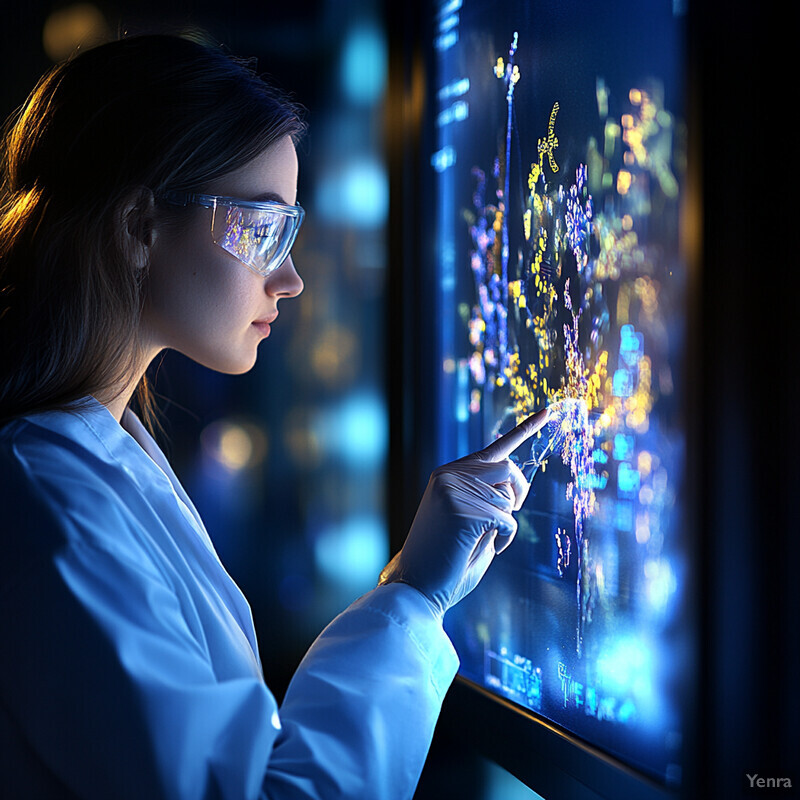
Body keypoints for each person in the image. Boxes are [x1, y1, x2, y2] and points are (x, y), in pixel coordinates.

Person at [0, 34, 548, 799]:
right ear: (137, 227)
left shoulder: (92, 462)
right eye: (261, 230)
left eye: (290, 234)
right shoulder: (50, 504)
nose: (288, 279)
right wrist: (414, 597)